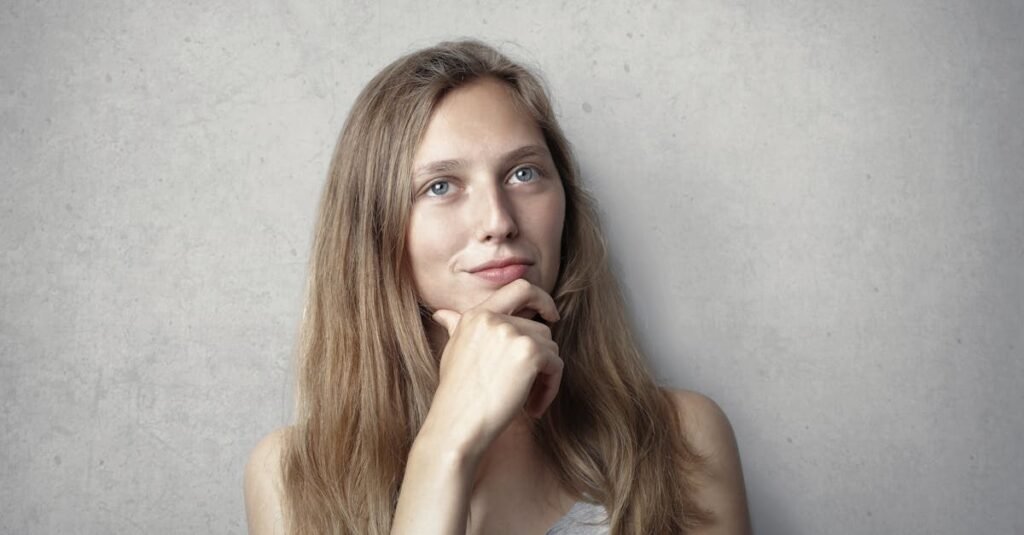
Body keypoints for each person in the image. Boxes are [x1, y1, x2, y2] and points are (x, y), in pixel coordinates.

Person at [244, 39, 750, 534]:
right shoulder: (292, 477)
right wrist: (446, 447)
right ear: (375, 231)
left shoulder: (683, 440)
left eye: (523, 173)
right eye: (440, 186)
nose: (497, 220)